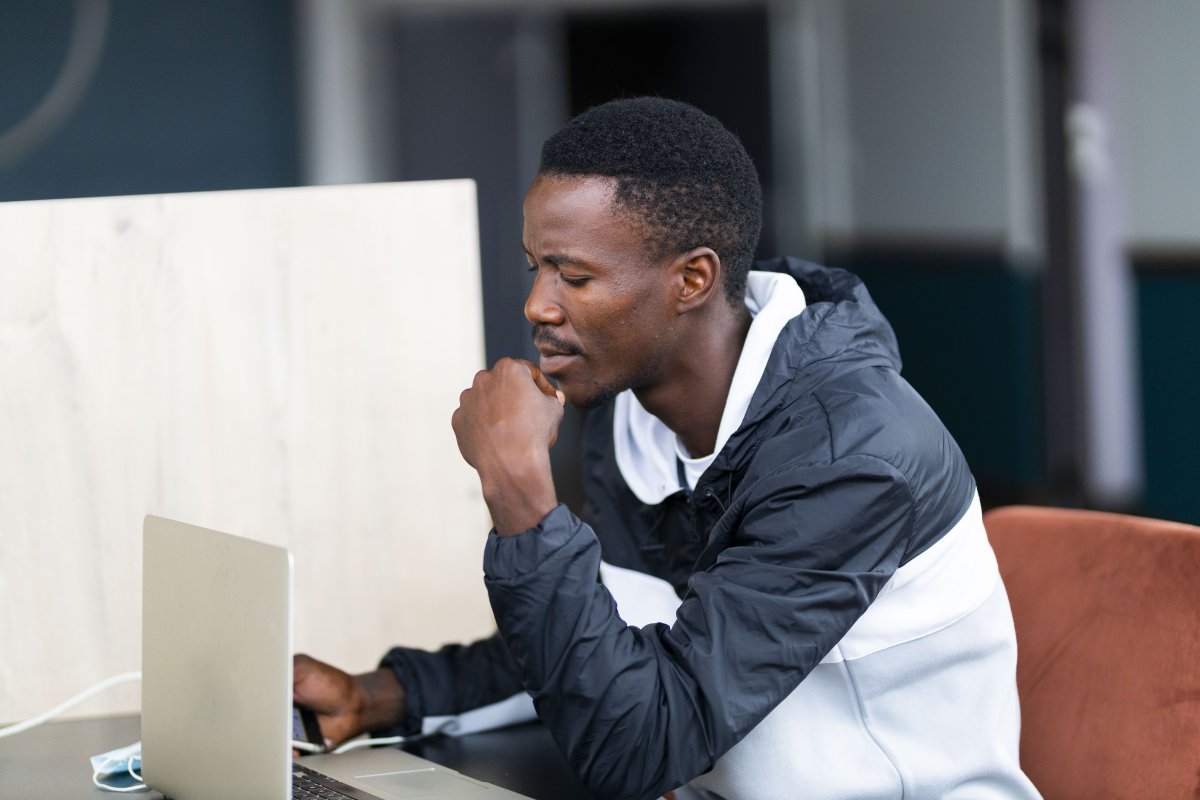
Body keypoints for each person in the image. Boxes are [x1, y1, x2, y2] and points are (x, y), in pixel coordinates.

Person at [294, 97, 1041, 800]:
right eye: (537, 267)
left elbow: (640, 746)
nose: (537, 305)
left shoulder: (852, 456)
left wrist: (519, 492)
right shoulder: (631, 416)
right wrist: (379, 697)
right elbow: (607, 635)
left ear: (692, 279)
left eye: (574, 276)